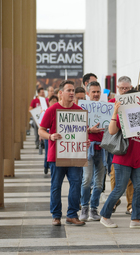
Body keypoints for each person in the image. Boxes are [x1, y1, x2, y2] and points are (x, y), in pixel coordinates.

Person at [39, 80, 90, 227]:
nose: (72, 93)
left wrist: (85, 142)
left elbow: (82, 133)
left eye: (73, 90)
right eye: (69, 90)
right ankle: (56, 216)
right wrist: (50, 136)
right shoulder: (52, 110)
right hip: (56, 156)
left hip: (74, 155)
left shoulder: (79, 111)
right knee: (56, 185)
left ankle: (72, 215)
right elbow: (41, 130)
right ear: (61, 93)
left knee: (76, 183)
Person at [100, 89, 140, 229]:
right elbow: (111, 131)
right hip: (123, 159)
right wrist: (115, 112)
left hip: (136, 159)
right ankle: (105, 216)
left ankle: (136, 219)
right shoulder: (123, 114)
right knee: (119, 189)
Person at [80, 81, 106, 221]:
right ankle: (84, 207)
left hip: (102, 148)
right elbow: (77, 128)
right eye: (93, 92)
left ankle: (94, 209)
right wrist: (90, 130)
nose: (96, 94)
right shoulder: (82, 108)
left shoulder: (106, 108)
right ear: (88, 93)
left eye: (98, 92)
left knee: (99, 182)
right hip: (88, 148)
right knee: (86, 180)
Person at [108, 76, 134, 214]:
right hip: (117, 143)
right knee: (115, 174)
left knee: (131, 177)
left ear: (131, 88)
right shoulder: (111, 102)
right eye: (121, 88)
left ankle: (130, 205)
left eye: (127, 88)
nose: (124, 91)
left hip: (133, 143)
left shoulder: (136, 102)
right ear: (117, 89)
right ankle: (113, 202)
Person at [42, 95, 59, 174]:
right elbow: (41, 127)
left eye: (56, 101)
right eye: (52, 101)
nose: (54, 103)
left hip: (57, 138)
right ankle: (46, 166)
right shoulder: (47, 111)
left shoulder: (58, 111)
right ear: (49, 102)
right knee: (47, 152)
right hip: (48, 136)